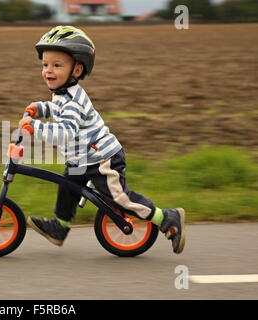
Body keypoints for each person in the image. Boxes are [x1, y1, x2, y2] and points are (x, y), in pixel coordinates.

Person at [18, 26, 186, 254]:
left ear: (77, 70)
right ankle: (60, 227)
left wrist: (34, 127)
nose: (49, 70)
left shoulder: (74, 102)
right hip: (81, 158)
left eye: (57, 65)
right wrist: (40, 108)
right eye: (45, 65)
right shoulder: (62, 94)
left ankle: (167, 218)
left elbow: (64, 132)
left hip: (102, 159)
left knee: (120, 199)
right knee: (68, 186)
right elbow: (56, 108)